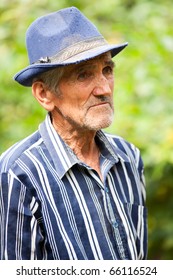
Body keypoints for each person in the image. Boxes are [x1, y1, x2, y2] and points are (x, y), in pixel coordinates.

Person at [0, 7, 147, 260]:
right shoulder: (17, 174)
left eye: (107, 70)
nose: (104, 89)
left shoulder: (129, 157)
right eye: (83, 75)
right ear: (44, 94)